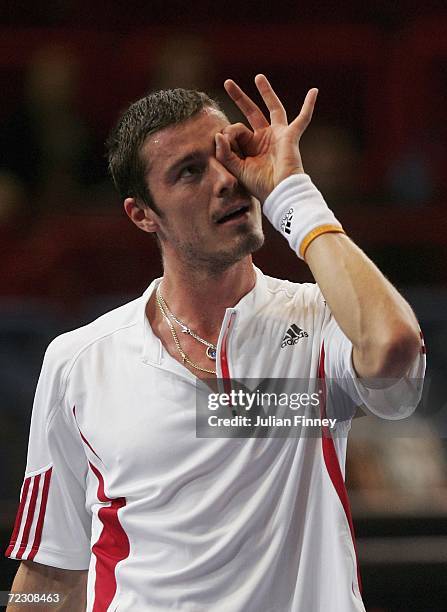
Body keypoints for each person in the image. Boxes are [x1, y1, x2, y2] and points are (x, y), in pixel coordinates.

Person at [5, 75, 425, 611]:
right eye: (189, 173)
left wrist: (294, 193)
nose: (226, 180)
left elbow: (393, 349)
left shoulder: (318, 321)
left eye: (227, 154)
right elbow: (49, 572)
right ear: (142, 214)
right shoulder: (78, 362)